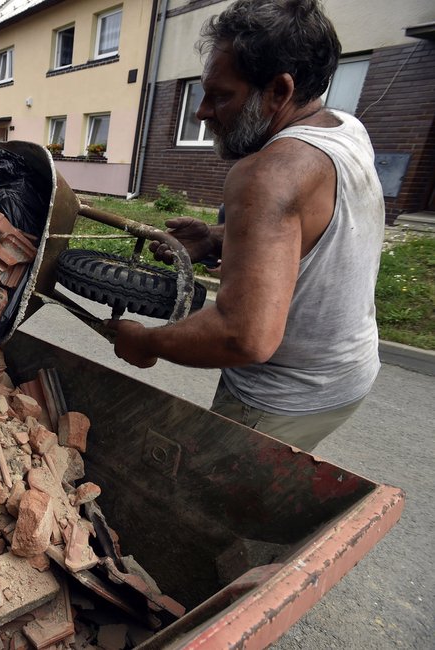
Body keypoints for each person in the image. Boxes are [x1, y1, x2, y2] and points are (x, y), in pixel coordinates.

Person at [107, 0, 385, 451]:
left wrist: (147, 341)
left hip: (283, 396)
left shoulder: (268, 173)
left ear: (279, 90)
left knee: (204, 503)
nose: (201, 113)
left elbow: (244, 337)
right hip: (348, 371)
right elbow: (320, 231)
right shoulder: (343, 128)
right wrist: (218, 237)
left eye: (220, 96)